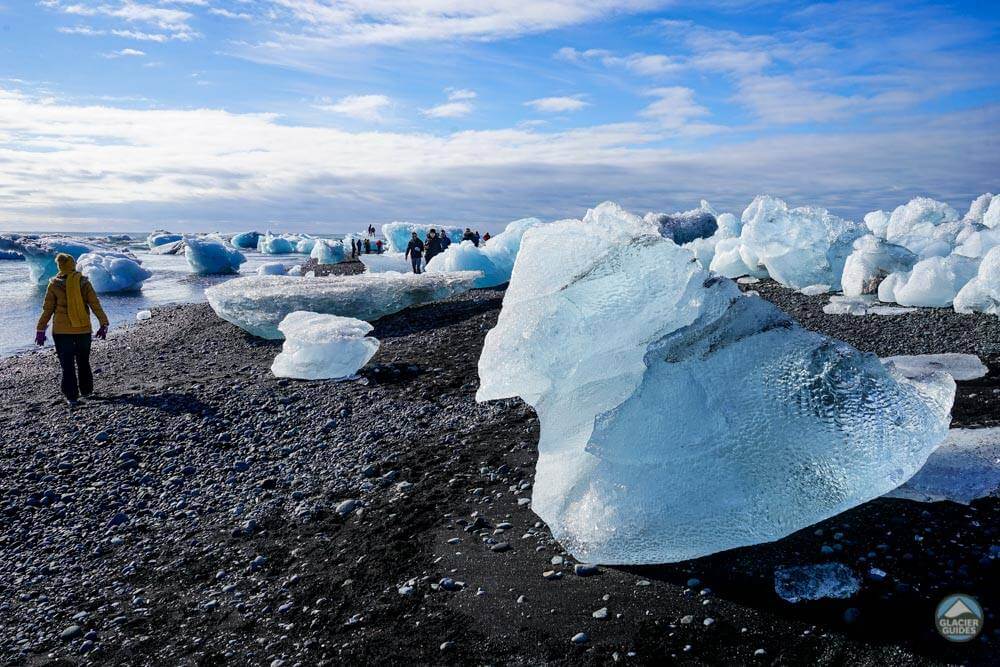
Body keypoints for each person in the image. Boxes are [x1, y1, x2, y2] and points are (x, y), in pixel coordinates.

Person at [35, 253, 109, 407]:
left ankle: (71, 396)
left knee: (67, 364)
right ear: (73, 264)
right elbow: (95, 304)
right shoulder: (84, 282)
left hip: (62, 332)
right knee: (83, 361)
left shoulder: (54, 284)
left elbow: (47, 310)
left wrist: (41, 329)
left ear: (60, 267)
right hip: (83, 330)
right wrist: (103, 323)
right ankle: (87, 391)